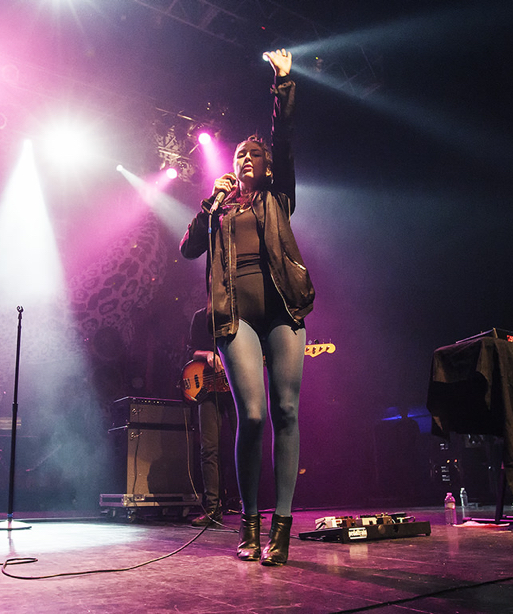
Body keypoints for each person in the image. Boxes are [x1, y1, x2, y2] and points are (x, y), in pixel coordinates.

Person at [179, 49, 314, 566]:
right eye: (239, 156)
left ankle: (281, 527)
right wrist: (206, 204)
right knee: (252, 415)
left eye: (254, 155)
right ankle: (249, 524)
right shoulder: (219, 209)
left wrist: (282, 83)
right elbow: (189, 249)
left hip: (282, 308)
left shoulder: (279, 197)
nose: (245, 159)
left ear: (268, 165)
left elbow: (283, 138)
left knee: (285, 410)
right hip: (234, 316)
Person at [187, 307, 237, 527]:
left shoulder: (240, 313)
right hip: (208, 390)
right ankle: (212, 510)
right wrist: (207, 354)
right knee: (209, 449)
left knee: (245, 446)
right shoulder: (201, 316)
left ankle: (249, 507)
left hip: (236, 387)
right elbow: (191, 351)